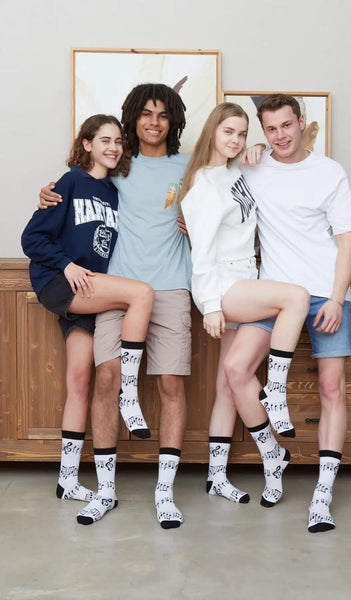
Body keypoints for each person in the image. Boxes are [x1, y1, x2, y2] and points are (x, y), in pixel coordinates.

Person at [38, 84, 192, 529]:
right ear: (133, 118)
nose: (154, 122)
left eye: (163, 115)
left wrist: (257, 149)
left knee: (170, 387)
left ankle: (165, 493)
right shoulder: (118, 164)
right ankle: (105, 490)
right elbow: (78, 184)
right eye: (145, 114)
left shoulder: (190, 166)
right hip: (117, 288)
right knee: (106, 380)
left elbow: (231, 168)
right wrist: (50, 192)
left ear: (174, 120)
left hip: (171, 289)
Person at [224, 94, 351, 532]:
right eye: (271, 129)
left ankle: (322, 494)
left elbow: (347, 239)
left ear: (302, 122)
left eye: (287, 125)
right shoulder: (251, 166)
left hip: (325, 292)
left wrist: (338, 297)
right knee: (236, 367)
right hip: (276, 293)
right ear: (263, 131)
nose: (280, 135)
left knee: (332, 388)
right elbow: (210, 193)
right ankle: (272, 457)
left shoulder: (329, 172)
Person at [22, 114, 154, 525]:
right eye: (104, 140)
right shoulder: (69, 182)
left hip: (92, 296)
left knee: (80, 381)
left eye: (118, 141)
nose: (113, 147)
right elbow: (32, 238)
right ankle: (128, 395)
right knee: (141, 294)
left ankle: (67, 479)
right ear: (87, 144)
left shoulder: (115, 192)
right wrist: (65, 266)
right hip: (66, 284)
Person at [178, 103, 310, 506]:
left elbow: (260, 160)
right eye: (227, 133)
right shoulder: (204, 184)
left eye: (240, 133)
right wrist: (210, 305)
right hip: (223, 285)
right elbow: (200, 252)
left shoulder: (235, 172)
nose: (234, 140)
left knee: (228, 381)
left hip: (246, 280)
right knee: (297, 297)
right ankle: (274, 391)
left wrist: (255, 148)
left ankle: (230, 470)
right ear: (212, 133)